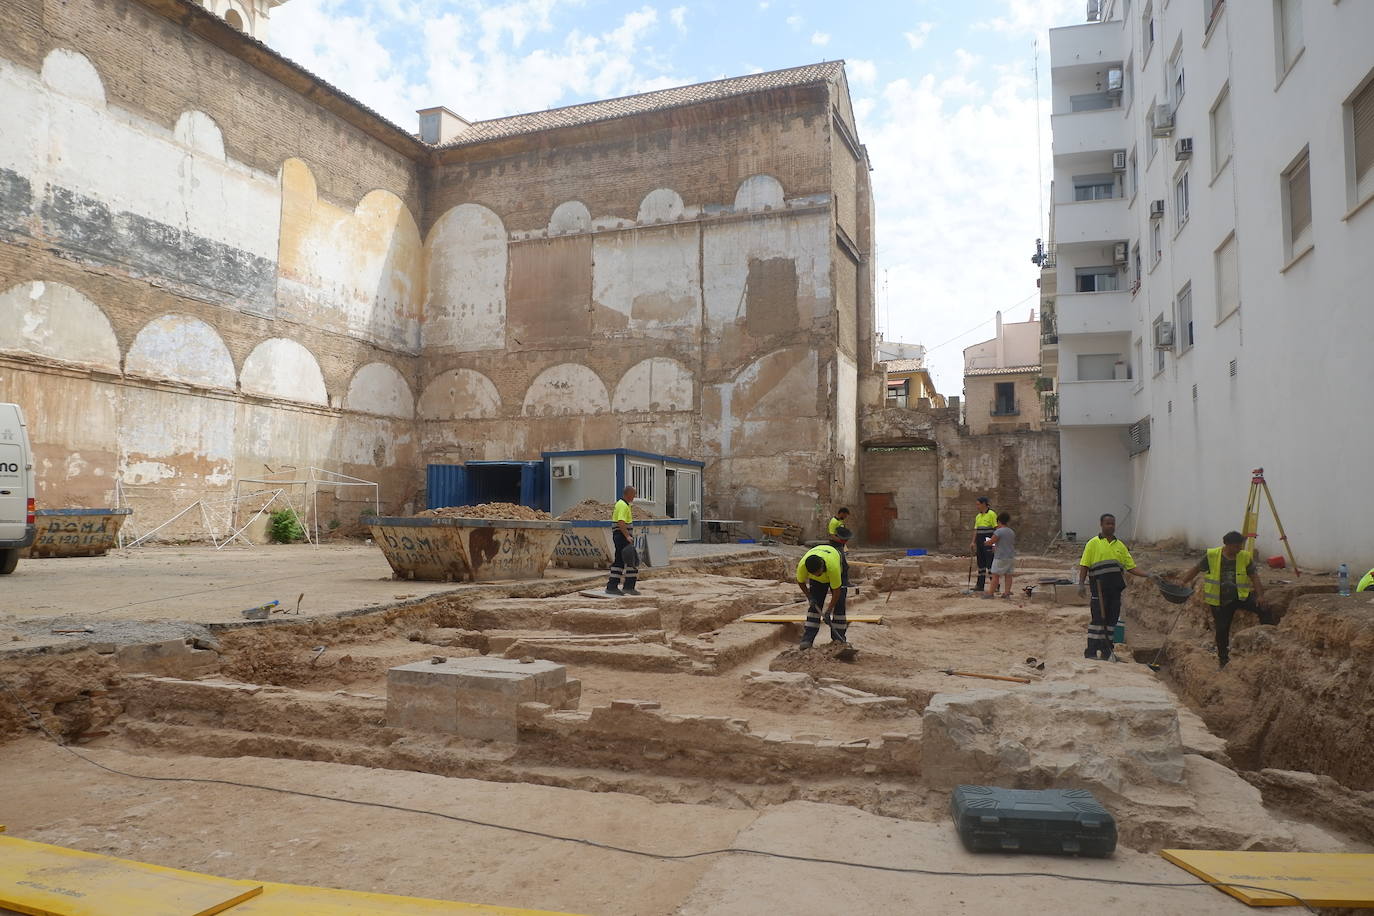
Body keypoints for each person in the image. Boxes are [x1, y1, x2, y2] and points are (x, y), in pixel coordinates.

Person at [1176, 531, 1274, 669]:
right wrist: (1183, 581)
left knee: (1265, 609)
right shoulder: (1212, 555)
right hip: (1219, 600)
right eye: (1236, 546)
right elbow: (1197, 569)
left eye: (1240, 546)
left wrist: (1260, 596)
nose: (1239, 549)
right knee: (1222, 630)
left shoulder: (1244, 556)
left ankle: (1270, 648)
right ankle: (1223, 660)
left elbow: (1254, 577)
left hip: (1240, 596)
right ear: (1227, 545)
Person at [1076, 513, 1152, 660]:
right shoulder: (1093, 543)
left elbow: (1131, 567)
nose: (1110, 526)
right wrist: (1080, 584)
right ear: (1101, 524)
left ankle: (1107, 652)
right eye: (1107, 523)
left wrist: (1148, 575)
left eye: (1112, 523)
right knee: (1098, 621)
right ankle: (1091, 652)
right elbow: (1084, 565)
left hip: (1115, 590)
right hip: (1099, 589)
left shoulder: (1120, 546)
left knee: (1111, 622)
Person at [796, 538, 849, 649]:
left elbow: (836, 592)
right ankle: (807, 639)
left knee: (839, 604)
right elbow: (800, 582)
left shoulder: (833, 568)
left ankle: (838, 640)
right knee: (815, 606)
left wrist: (828, 611)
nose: (818, 575)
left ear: (822, 566)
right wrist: (810, 597)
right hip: (818, 555)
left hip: (835, 558)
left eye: (819, 573)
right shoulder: (803, 566)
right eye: (814, 574)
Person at [605, 486, 640, 596]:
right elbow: (621, 522)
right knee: (626, 560)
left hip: (621, 536)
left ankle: (627, 586)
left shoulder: (624, 505)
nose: (634, 497)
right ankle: (613, 586)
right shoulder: (622, 505)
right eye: (634, 494)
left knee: (627, 561)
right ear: (628, 494)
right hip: (622, 537)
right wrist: (627, 536)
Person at [969, 497, 998, 594]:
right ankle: (980, 585)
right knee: (980, 564)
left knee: (990, 564)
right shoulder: (978, 516)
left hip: (988, 540)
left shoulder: (992, 514)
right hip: (979, 542)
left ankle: (995, 586)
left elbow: (996, 530)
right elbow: (976, 530)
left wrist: (994, 543)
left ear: (984, 504)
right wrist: (973, 542)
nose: (977, 506)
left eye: (978, 504)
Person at [984, 512, 1016, 599]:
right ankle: (1006, 593)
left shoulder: (999, 531)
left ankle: (990, 593)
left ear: (998, 521)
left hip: (1000, 557)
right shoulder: (1011, 531)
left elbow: (992, 541)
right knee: (1008, 576)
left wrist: (986, 542)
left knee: (995, 575)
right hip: (1010, 556)